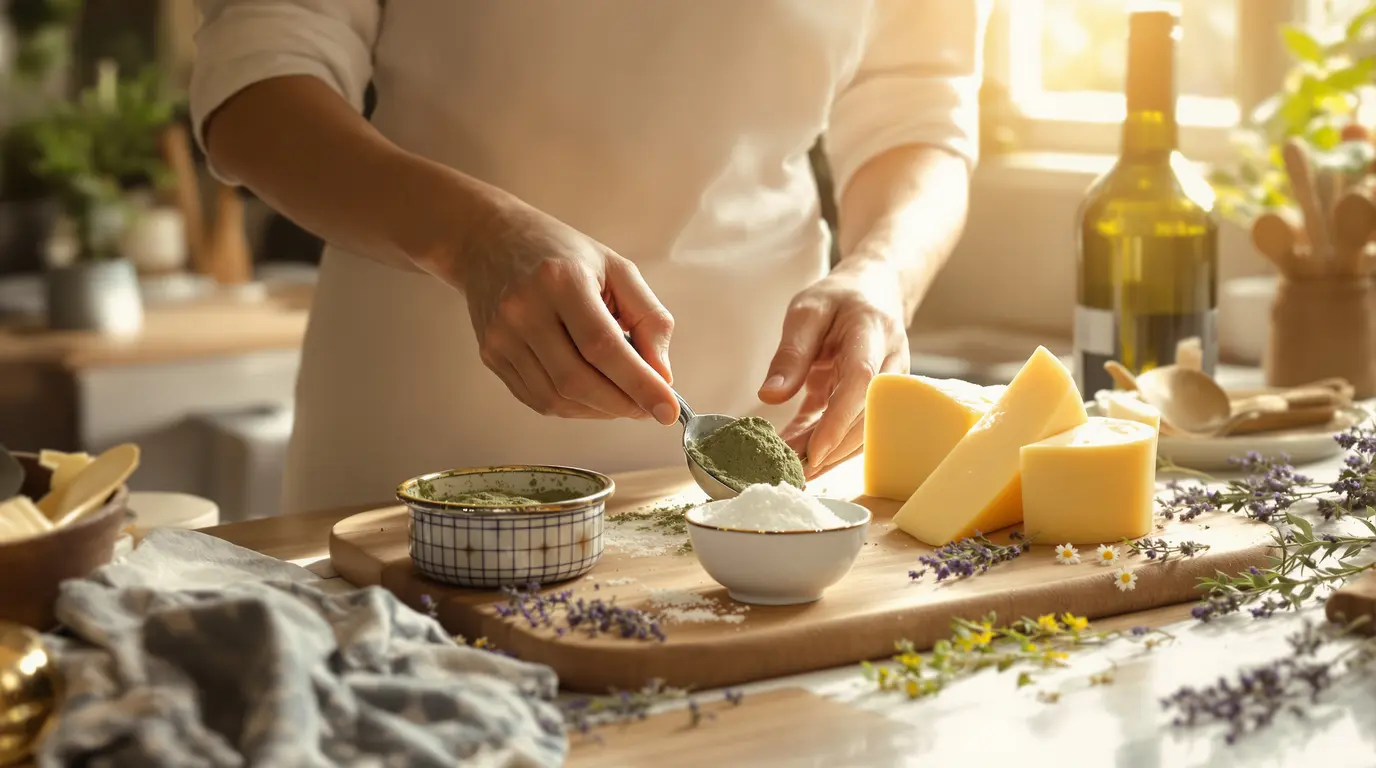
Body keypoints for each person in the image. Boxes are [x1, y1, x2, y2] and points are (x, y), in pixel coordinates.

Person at [191, 0, 989, 515]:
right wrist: (475, 239)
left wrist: (883, 271)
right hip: (418, 462)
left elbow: (917, 113)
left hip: (759, 472)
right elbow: (257, 81)